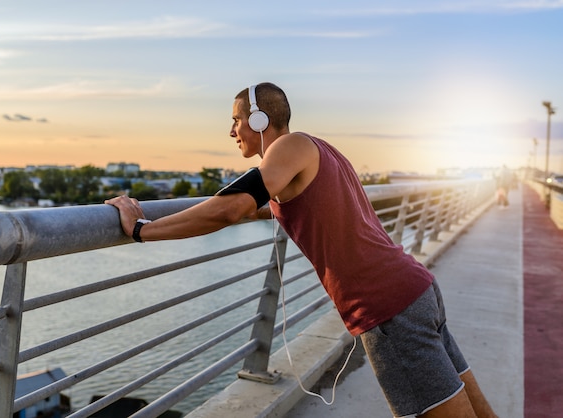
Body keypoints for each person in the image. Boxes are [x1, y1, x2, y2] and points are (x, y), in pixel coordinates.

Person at [105, 82, 497, 417]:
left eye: (236, 120)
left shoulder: (290, 147)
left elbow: (232, 206)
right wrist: (233, 211)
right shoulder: (318, 151)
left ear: (260, 120)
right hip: (415, 291)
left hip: (388, 307)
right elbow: (274, 207)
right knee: (473, 406)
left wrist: (142, 230)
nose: (231, 131)